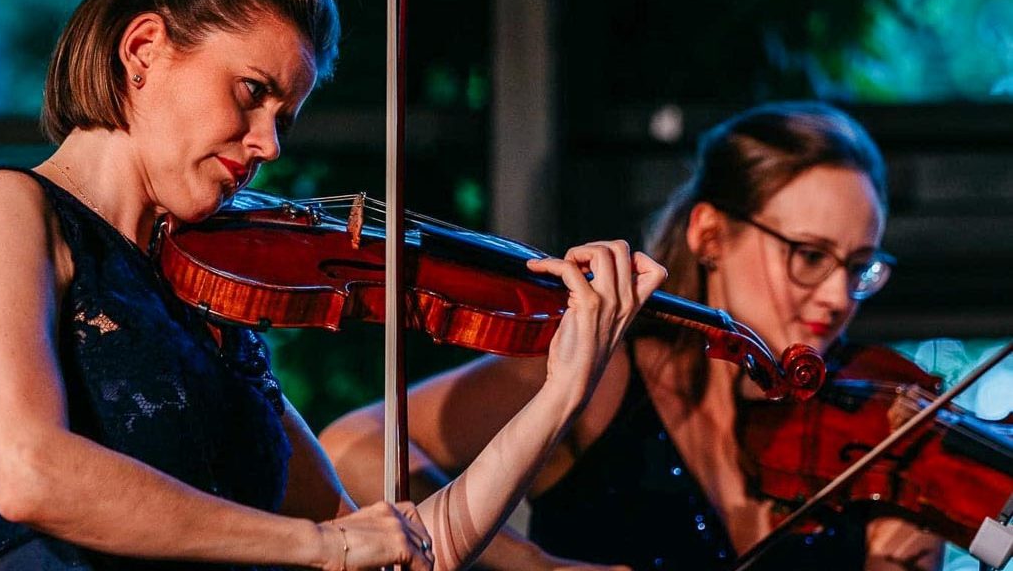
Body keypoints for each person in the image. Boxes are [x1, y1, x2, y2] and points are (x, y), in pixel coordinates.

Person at [0, 0, 669, 569]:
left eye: (284, 118)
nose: (267, 144)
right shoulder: (2, 209)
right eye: (250, 92)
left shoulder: (203, 307)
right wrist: (317, 547)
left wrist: (563, 388)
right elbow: (29, 472)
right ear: (144, 50)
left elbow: (408, 551)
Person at [320, 101, 947, 571]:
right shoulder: (603, 376)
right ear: (710, 237)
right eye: (810, 255)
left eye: (858, 266)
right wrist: (538, 568)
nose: (839, 297)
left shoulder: (867, 444)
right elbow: (354, 445)